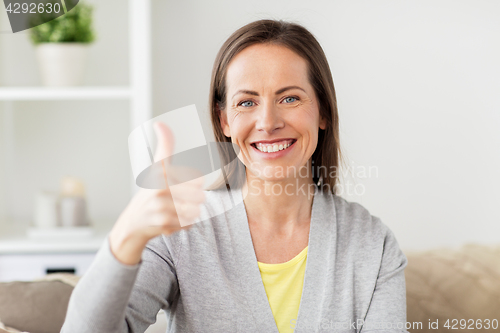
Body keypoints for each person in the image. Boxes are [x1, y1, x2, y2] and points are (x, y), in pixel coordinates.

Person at [61, 19, 409, 333]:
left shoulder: (372, 245)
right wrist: (127, 234)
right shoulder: (181, 232)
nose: (268, 122)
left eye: (289, 98)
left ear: (323, 112)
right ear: (224, 120)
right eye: (246, 103)